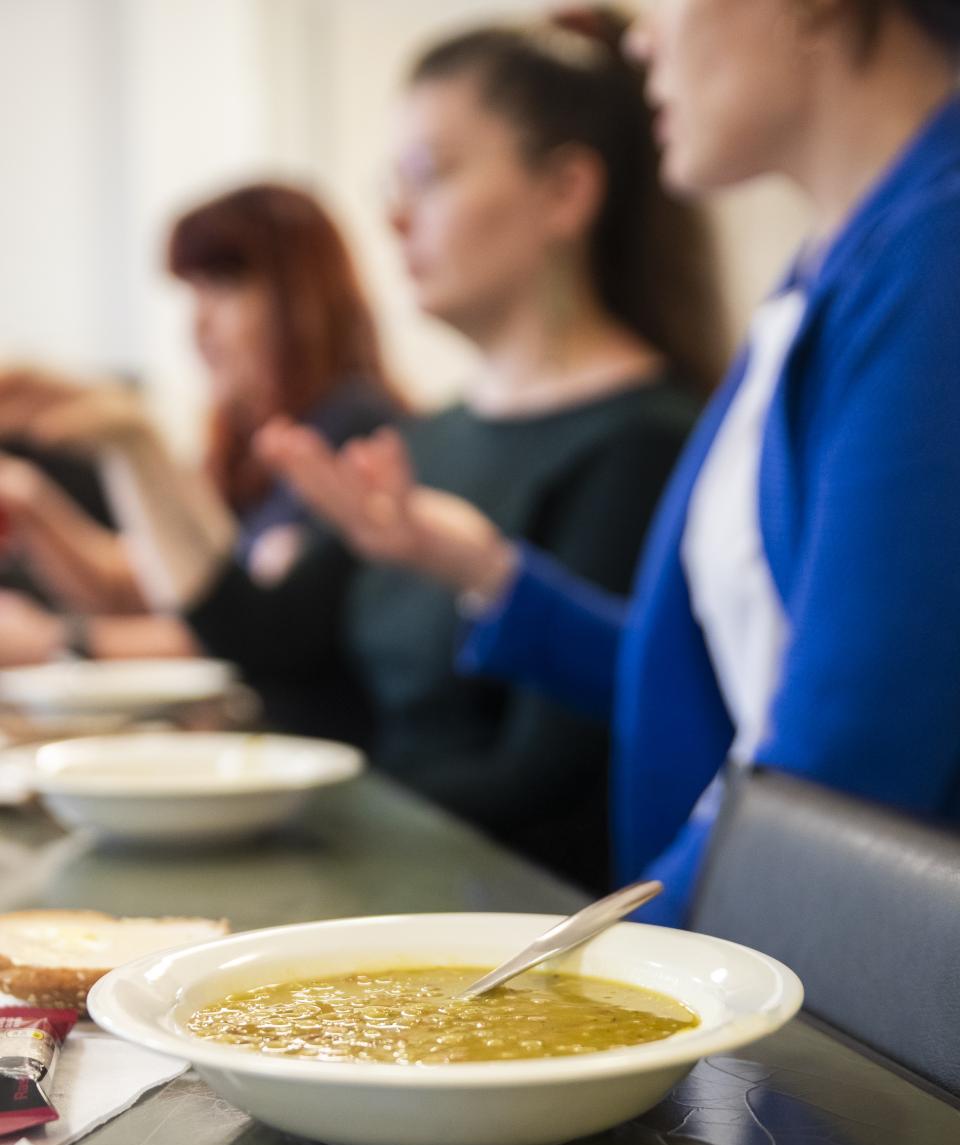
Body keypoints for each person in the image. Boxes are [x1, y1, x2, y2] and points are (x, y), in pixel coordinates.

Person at [251, 0, 960, 924]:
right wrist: (488, 574)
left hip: (846, 1014)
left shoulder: (936, 256)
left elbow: (843, 768)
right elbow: (718, 688)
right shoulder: (834, 269)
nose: (641, 37)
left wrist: (591, 968)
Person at [14, 12, 723, 887]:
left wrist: (305, 806)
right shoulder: (433, 436)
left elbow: (541, 782)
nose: (393, 216)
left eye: (429, 176)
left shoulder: (641, 441)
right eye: (395, 180)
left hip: (494, 924)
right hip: (383, 875)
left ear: (565, 193)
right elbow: (263, 635)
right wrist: (127, 439)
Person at [0, 183, 401, 678]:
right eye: (195, 294)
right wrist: (30, 503)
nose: (200, 324)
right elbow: (149, 583)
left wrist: (55, 642)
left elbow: (236, 629)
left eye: (225, 287)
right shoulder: (247, 452)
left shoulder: (351, 432)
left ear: (301, 295)